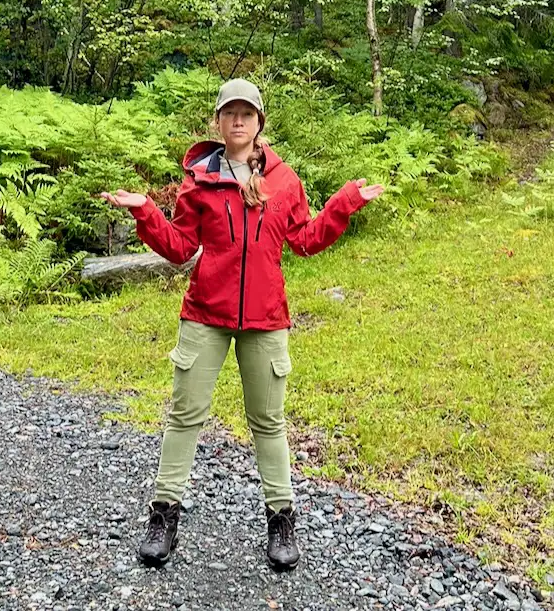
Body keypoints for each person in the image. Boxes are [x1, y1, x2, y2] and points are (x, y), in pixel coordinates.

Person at [100, 78, 384, 571]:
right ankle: (163, 516)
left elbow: (305, 240)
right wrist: (145, 211)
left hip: (265, 317)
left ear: (259, 122)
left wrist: (345, 202)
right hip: (205, 314)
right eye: (229, 112)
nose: (237, 120)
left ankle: (281, 521)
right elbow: (180, 248)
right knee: (184, 415)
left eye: (246, 113)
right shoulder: (200, 179)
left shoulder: (284, 180)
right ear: (218, 121)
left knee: (268, 422)